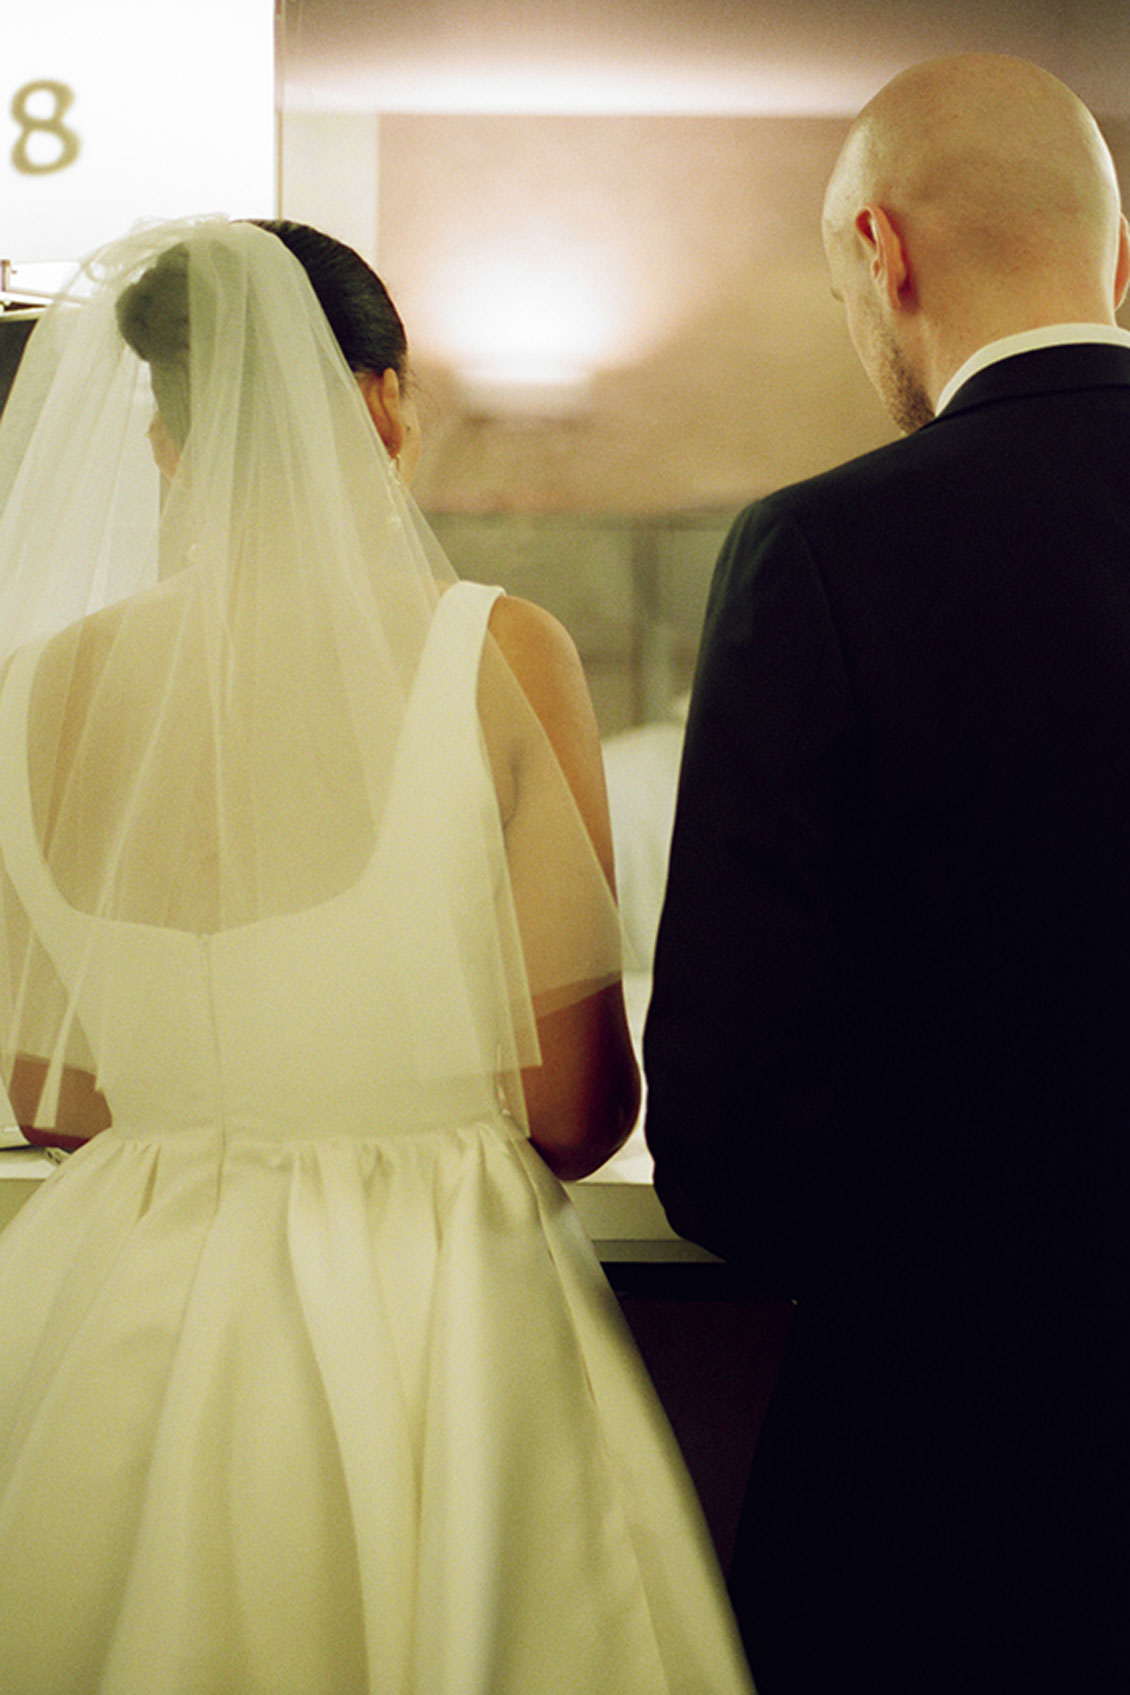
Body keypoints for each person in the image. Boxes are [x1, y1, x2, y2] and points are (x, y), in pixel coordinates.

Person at [0, 217, 753, 1694]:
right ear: (386, 403)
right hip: (424, 1306)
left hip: (117, 1307)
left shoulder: (33, 699)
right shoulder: (494, 653)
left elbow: (55, 1100)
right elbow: (572, 1109)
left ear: (161, 437)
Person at [645, 52, 1130, 1694]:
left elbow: (721, 1128)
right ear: (1116, 263)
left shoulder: (824, 550)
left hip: (947, 1467)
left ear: (881, 252)